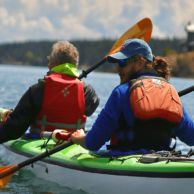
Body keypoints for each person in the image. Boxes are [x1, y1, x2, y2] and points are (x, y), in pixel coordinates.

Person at [71, 38, 194, 153]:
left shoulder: (121, 92)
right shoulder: (170, 93)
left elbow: (92, 143)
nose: (118, 68)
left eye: (123, 62)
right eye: (117, 63)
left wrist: (80, 138)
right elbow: (191, 138)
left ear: (141, 63)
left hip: (125, 162)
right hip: (163, 161)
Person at [0, 41, 99, 143]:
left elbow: (14, 128)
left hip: (40, 143)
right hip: (72, 145)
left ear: (57, 63)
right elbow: (89, 110)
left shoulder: (38, 90)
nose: (48, 65)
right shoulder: (87, 91)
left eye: (49, 60)